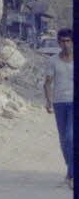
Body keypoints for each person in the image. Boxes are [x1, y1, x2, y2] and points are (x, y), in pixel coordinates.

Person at [43, 28, 73, 188]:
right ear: (58, 42)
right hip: (59, 103)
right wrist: (48, 101)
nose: (65, 44)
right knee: (63, 140)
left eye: (68, 41)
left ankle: (71, 174)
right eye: (62, 41)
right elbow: (47, 83)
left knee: (70, 137)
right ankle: (71, 172)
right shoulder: (53, 61)